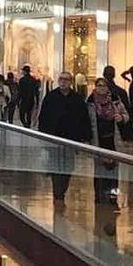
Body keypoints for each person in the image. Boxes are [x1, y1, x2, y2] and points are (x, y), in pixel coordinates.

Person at [38, 71, 92, 207]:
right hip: (54, 139)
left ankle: (62, 190)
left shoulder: (77, 99)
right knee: (56, 167)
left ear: (71, 81)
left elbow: (84, 119)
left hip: (70, 140)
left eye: (66, 79)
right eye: (61, 79)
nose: (63, 82)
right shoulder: (51, 97)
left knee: (68, 167)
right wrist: (43, 135)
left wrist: (85, 137)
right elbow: (43, 117)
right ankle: (58, 193)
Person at [87, 76, 127, 203]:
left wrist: (121, 117)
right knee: (99, 171)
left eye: (104, 86)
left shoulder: (115, 101)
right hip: (98, 141)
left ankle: (112, 197)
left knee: (114, 172)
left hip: (112, 140)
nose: (101, 88)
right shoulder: (90, 102)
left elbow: (126, 115)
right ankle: (99, 197)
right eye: (99, 85)